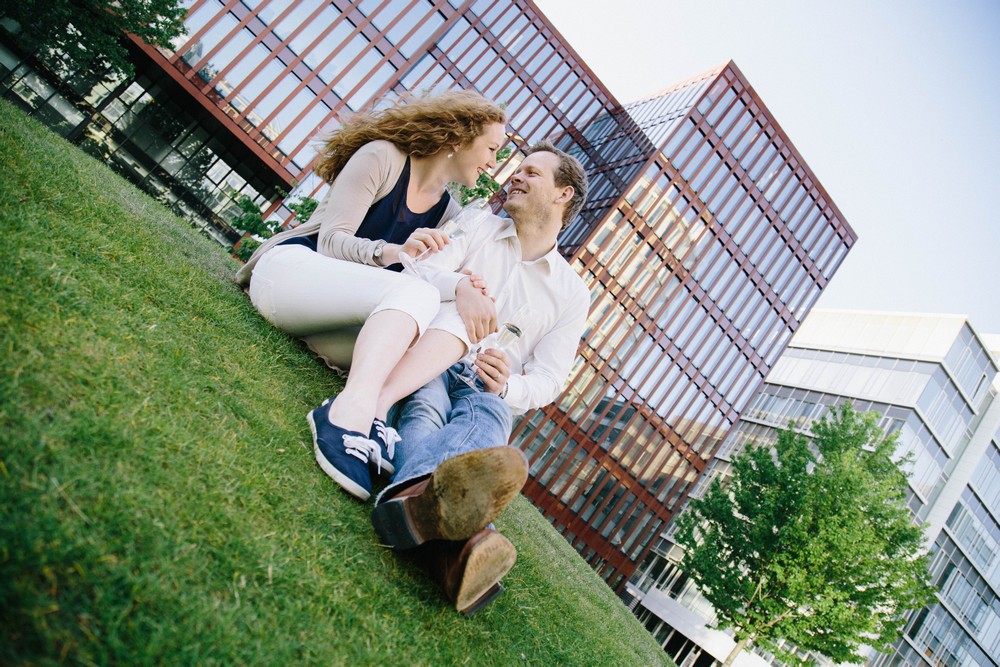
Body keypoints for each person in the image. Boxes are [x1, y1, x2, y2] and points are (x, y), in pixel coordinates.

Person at [307, 142, 591, 614]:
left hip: (484, 385)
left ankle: (418, 505)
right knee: (426, 409)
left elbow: (549, 378)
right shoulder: (478, 222)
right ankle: (462, 540)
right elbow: (422, 269)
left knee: (492, 416)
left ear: (563, 195)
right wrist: (460, 289)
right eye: (516, 169)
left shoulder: (571, 292)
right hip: (435, 350)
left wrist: (508, 384)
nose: (514, 177)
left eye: (531, 173)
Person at [235, 91, 507, 501]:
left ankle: (376, 411)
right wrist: (393, 252)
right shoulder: (382, 156)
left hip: (339, 321)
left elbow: (426, 280)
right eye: (491, 148)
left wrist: (465, 288)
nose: (493, 163)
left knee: (456, 313)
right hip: (289, 277)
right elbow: (331, 240)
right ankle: (344, 417)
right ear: (458, 138)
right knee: (416, 290)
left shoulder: (448, 212)